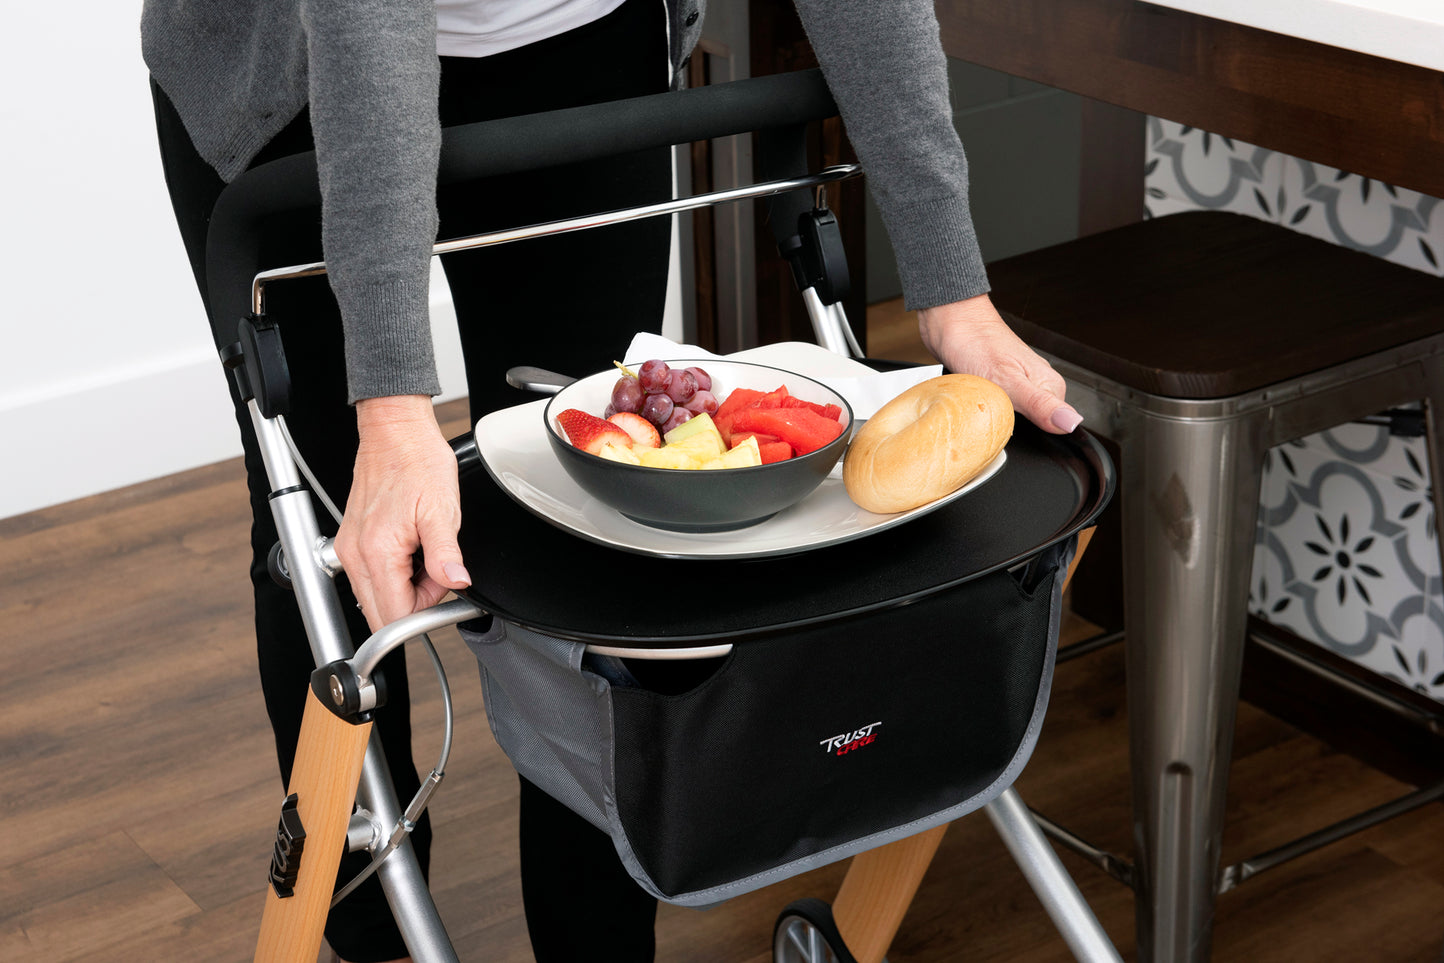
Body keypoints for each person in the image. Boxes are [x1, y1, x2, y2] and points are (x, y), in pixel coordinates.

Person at [141, 1, 1082, 960]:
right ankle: (368, 918)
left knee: (597, 524)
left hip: (572, 45)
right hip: (288, 73)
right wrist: (389, 404)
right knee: (338, 533)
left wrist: (952, 286)